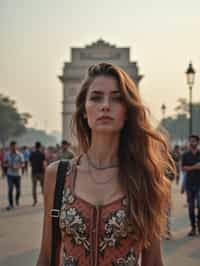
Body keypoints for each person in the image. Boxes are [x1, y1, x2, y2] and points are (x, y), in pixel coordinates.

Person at [37, 63, 174, 266]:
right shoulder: (57, 175)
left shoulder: (146, 178)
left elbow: (153, 261)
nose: (105, 105)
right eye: (96, 97)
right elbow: (47, 257)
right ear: (84, 109)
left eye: (117, 98)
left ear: (128, 111)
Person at [182, 135, 200, 236]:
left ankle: (199, 225)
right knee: (191, 207)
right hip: (189, 184)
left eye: (194, 141)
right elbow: (183, 169)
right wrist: (195, 167)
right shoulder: (185, 155)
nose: (192, 143)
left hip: (199, 184)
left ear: (198, 142)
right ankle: (193, 228)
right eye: (191, 141)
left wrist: (191, 167)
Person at [4, 141, 24, 210]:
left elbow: (23, 164)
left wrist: (18, 166)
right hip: (10, 174)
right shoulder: (7, 154)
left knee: (18, 190)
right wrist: (9, 165)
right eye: (12, 146)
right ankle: (11, 204)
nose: (13, 147)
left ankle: (17, 200)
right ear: (10, 146)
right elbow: (4, 164)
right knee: (10, 189)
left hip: (18, 174)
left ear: (16, 146)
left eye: (14, 146)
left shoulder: (20, 155)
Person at [29, 142, 46, 206]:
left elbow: (30, 164)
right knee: (43, 187)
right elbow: (44, 164)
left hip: (34, 172)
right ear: (40, 146)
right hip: (41, 173)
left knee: (34, 188)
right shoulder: (42, 154)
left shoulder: (32, 154)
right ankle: (45, 200)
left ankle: (35, 201)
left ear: (35, 146)